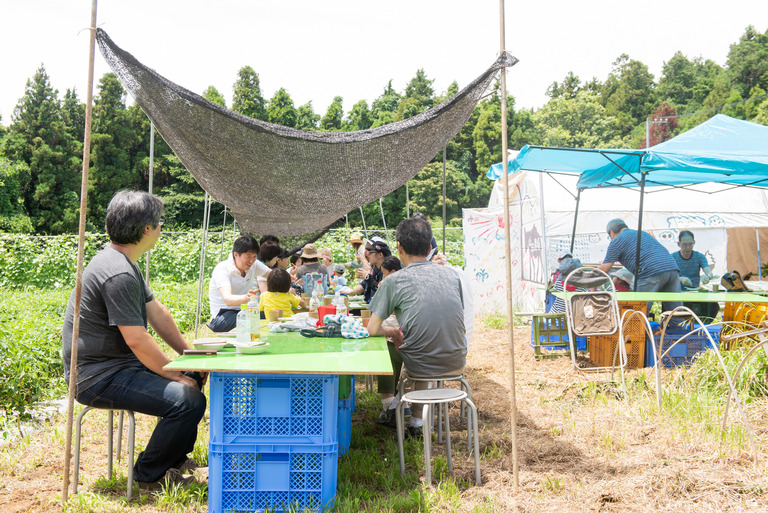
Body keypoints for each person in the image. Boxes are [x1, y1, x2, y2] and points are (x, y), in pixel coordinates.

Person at [62, 190, 206, 491]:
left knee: (195, 377)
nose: (161, 228)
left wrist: (191, 356)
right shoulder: (117, 272)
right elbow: (138, 340)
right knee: (188, 399)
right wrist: (177, 375)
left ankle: (174, 458)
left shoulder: (125, 262)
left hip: (119, 367)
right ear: (146, 230)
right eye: (160, 223)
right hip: (97, 376)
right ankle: (148, 476)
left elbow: (158, 314)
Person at [367, 216, 470, 438]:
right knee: (418, 351)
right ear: (429, 246)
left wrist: (393, 332)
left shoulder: (394, 281)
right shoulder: (452, 274)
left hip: (421, 363)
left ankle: (394, 408)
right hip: (457, 358)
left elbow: (372, 329)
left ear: (399, 247)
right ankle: (415, 423)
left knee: (409, 356)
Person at [597, 218, 682, 317]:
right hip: (672, 268)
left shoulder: (616, 241)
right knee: (675, 309)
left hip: (650, 271)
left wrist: (583, 278)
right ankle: (679, 330)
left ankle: (640, 332)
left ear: (611, 233)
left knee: (640, 311)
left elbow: (604, 270)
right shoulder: (642, 234)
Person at [208, 235, 270, 332]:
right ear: (236, 255)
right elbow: (228, 299)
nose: (252, 261)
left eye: (254, 257)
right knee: (252, 321)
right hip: (222, 316)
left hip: (244, 311)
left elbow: (271, 274)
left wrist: (284, 277)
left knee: (271, 315)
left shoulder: (254, 264)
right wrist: (247, 297)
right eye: (248, 256)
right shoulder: (223, 269)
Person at [672, 230, 719, 319]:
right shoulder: (673, 257)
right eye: (684, 244)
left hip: (695, 293)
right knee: (669, 306)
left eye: (690, 244)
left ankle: (702, 327)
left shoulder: (699, 256)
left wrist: (708, 276)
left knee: (714, 306)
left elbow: (708, 271)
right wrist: (680, 279)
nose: (688, 247)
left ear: (694, 243)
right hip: (678, 293)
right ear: (679, 244)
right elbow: (668, 276)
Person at [345, 238, 391, 302]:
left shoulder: (387, 269)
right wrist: (349, 293)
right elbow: (364, 284)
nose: (366, 253)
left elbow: (380, 288)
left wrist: (367, 276)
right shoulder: (374, 266)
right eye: (366, 249)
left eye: (370, 251)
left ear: (380, 254)